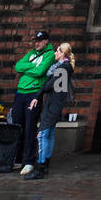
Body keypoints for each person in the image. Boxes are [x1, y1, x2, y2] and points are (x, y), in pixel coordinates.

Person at [23, 42, 75, 181]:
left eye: (57, 51)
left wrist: (37, 96)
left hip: (53, 106)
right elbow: (56, 88)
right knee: (48, 134)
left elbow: (49, 85)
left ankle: (40, 167)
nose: (55, 53)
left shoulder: (63, 68)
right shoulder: (63, 68)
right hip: (53, 105)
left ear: (63, 53)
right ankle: (44, 165)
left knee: (42, 134)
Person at [12, 30, 55, 176]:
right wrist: (31, 67)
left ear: (46, 41)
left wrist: (27, 69)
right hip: (20, 93)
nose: (36, 43)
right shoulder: (31, 53)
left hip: (33, 93)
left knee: (30, 127)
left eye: (39, 40)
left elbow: (40, 72)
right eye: (35, 40)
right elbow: (18, 66)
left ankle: (29, 161)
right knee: (17, 126)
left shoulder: (50, 54)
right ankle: (17, 159)